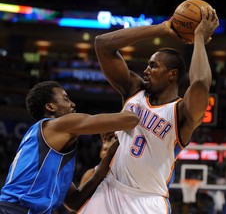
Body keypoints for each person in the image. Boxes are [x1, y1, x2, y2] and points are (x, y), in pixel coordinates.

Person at [78, 5, 219, 214]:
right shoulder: (133, 90)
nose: (145, 70)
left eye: (153, 66)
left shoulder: (181, 113)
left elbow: (200, 84)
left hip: (148, 201)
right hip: (110, 189)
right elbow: (102, 44)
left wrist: (199, 37)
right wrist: (162, 29)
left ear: (172, 75)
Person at [0, 81, 139, 214]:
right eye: (65, 99)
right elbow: (130, 120)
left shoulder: (47, 148)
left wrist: (108, 158)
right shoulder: (57, 125)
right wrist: (140, 104)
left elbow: (74, 202)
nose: (72, 104)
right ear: (50, 107)